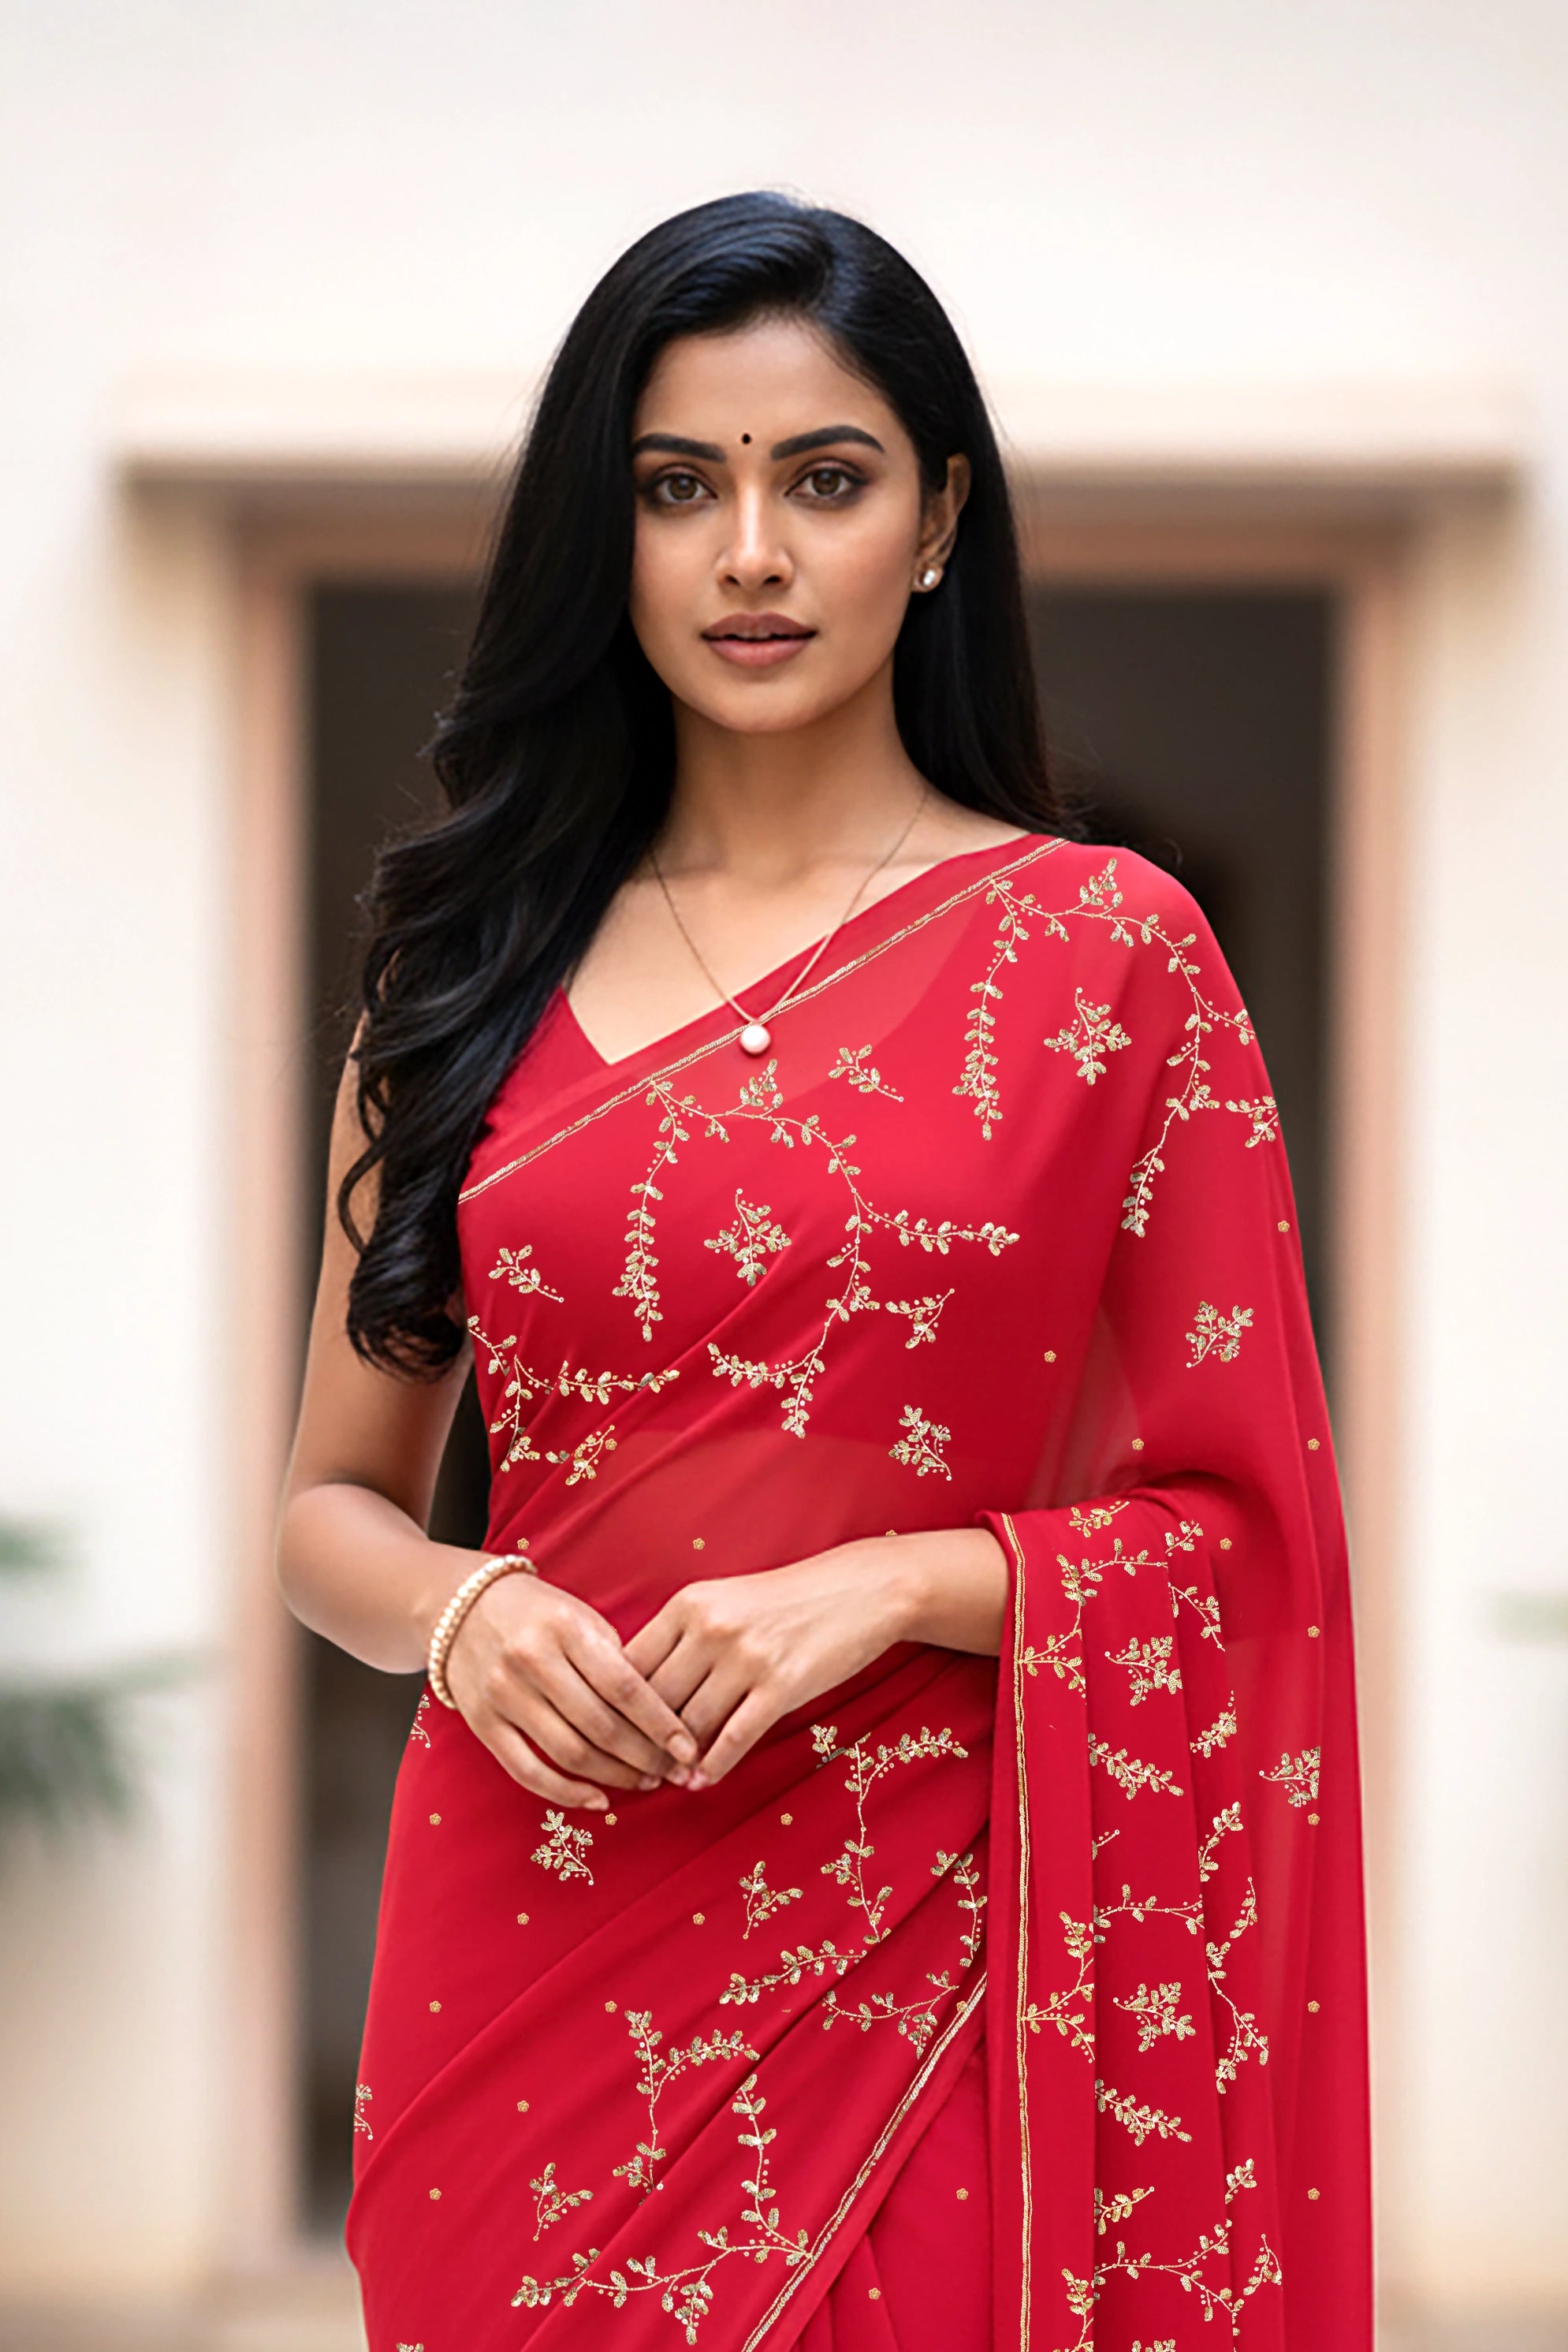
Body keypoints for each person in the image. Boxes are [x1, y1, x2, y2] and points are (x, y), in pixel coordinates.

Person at [278, 191, 1371, 2350]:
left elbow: (1249, 1542)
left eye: (827, 480)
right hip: (530, 1932)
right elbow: (331, 1507)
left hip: (936, 1937)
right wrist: (465, 1611)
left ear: (939, 518)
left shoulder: (1107, 959)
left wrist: (895, 1583)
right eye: (680, 487)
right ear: (609, 535)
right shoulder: (463, 976)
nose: (752, 554)